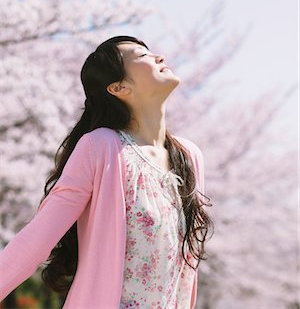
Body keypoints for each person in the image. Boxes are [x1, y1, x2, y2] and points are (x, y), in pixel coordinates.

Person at [0, 35, 214, 308]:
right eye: (142, 56)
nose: (159, 57)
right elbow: (38, 236)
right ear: (119, 87)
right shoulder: (101, 147)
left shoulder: (189, 156)